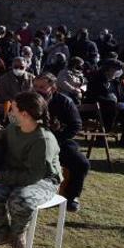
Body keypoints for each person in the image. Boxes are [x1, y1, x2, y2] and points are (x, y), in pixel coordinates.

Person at [0, 91, 63, 248]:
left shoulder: (43, 140)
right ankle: (0, 232)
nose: (10, 112)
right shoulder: (15, 127)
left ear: (24, 114)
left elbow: (33, 176)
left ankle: (17, 234)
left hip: (43, 180)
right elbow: (6, 134)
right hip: (15, 173)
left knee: (20, 198)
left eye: (13, 109)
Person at [34, 73, 89, 212]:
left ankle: (72, 196)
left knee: (81, 163)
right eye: (35, 86)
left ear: (53, 88)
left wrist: (55, 141)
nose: (37, 90)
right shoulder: (27, 101)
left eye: (42, 87)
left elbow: (75, 125)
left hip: (59, 142)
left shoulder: (64, 102)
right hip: (31, 142)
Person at [84, 59, 124, 146]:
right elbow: (94, 96)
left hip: (117, 107)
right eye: (116, 69)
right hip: (102, 108)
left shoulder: (122, 79)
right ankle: (101, 138)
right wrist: (113, 102)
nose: (119, 71)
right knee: (111, 106)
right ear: (108, 69)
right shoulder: (97, 79)